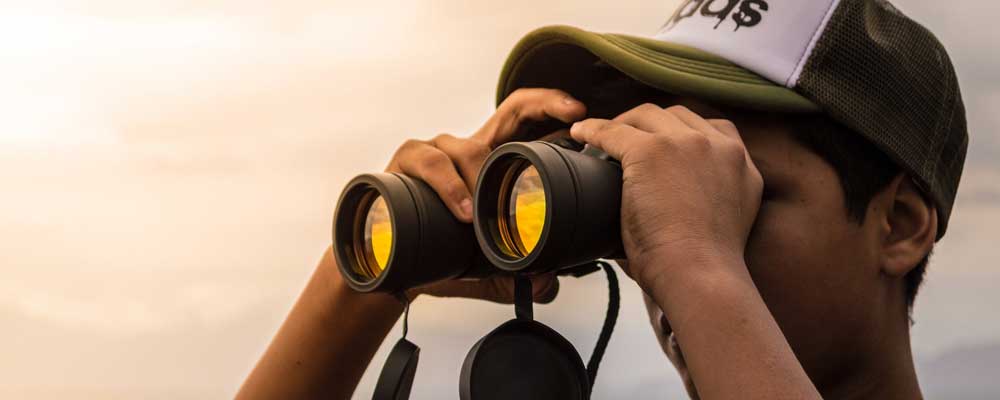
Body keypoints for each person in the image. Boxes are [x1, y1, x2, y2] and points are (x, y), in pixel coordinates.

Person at [237, 0, 968, 398]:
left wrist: (696, 263)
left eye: (728, 184)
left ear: (899, 224)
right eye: (650, 182)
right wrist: (364, 271)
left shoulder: (690, 266)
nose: (658, 244)